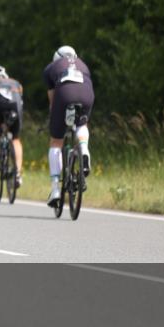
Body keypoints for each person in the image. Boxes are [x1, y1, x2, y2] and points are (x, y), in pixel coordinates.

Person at [43, 45, 94, 206]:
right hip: (86, 93)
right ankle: (84, 149)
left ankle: (56, 189)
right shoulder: (83, 64)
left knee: (56, 142)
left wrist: (54, 120)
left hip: (65, 94)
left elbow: (52, 101)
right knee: (81, 124)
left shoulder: (50, 68)